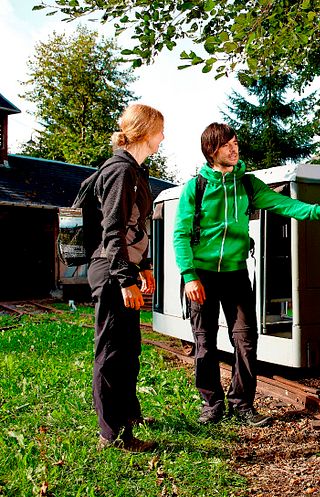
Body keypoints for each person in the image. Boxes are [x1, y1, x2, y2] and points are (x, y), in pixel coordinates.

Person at [173, 123, 320, 426]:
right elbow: (180, 234)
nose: (235, 149)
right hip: (202, 276)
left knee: (246, 340)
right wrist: (188, 275)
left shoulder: (247, 185)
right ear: (212, 150)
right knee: (205, 342)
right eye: (228, 145)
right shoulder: (195, 188)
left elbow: (284, 204)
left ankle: (241, 403)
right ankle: (212, 404)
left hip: (236, 274)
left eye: (236, 143)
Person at [89, 103, 164, 452]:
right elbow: (113, 231)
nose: (163, 137)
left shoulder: (137, 172)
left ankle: (128, 413)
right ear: (146, 132)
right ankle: (112, 433)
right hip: (111, 271)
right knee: (111, 351)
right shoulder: (119, 171)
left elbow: (137, 227)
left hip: (125, 268)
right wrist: (125, 279)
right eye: (160, 130)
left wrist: (144, 266)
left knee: (130, 348)